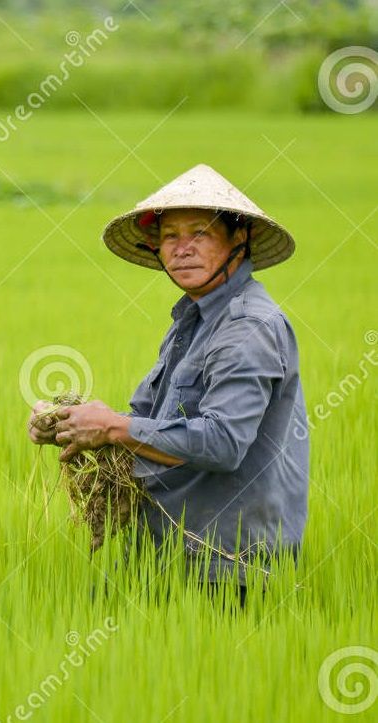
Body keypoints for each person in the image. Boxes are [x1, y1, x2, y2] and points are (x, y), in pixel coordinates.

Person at [27, 163, 309, 602]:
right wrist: (70, 423)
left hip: (222, 567)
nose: (183, 248)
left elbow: (222, 442)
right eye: (171, 236)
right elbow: (145, 423)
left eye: (200, 232)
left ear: (240, 239)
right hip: (160, 549)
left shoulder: (248, 326)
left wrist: (111, 427)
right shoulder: (189, 320)